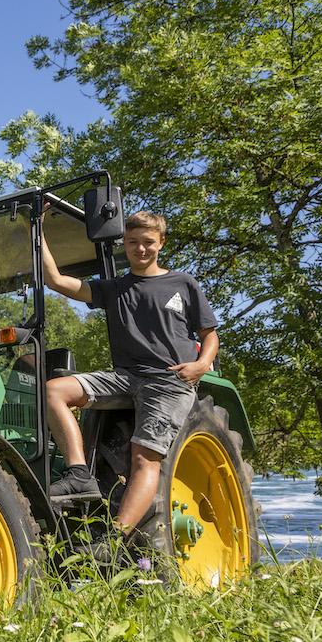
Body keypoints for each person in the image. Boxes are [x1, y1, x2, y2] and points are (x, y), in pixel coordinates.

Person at [40, 210, 218, 559]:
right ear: (124, 243)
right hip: (126, 376)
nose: (140, 249)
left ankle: (115, 540)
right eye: (133, 242)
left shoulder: (183, 283)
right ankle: (79, 473)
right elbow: (57, 281)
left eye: (148, 242)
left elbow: (209, 334)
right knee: (53, 390)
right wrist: (39, 230)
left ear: (161, 243)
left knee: (143, 459)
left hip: (169, 381)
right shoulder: (116, 288)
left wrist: (201, 364)